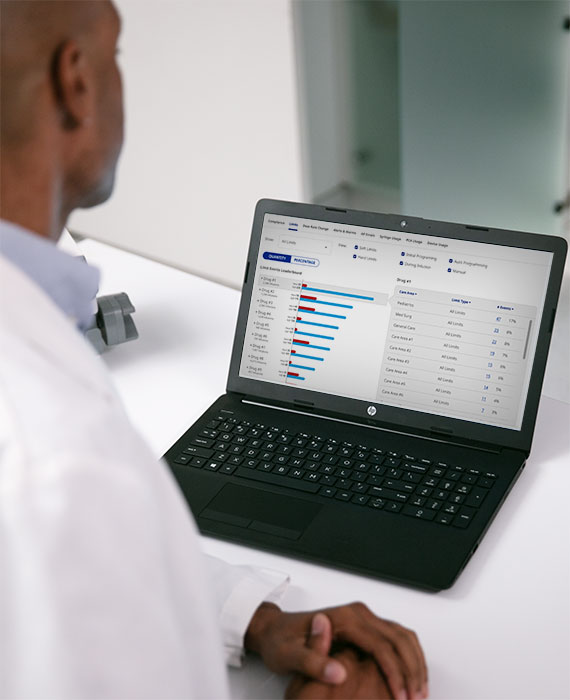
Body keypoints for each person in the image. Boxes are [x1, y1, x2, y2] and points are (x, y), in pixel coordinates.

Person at [0, 2, 428, 698]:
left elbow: (98, 565)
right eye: (118, 53)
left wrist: (254, 620)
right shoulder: (52, 465)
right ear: (75, 82)